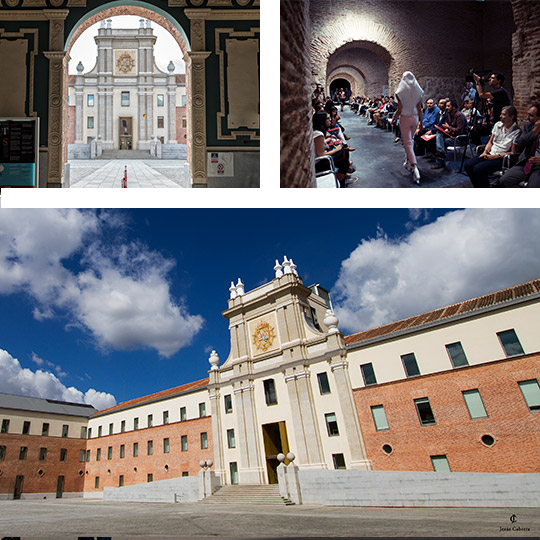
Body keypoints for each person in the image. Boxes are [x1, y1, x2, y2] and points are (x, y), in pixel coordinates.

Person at [464, 105, 521, 188]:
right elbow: (490, 142)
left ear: (511, 117)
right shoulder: (498, 125)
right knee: (468, 165)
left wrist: (493, 157)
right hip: (490, 153)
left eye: (504, 114)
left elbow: (513, 152)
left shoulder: (517, 131)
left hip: (501, 158)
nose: (500, 116)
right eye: (501, 114)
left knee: (478, 169)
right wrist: (485, 152)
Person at [391, 71, 424, 183]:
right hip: (415, 117)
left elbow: (399, 109)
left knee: (407, 143)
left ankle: (415, 168)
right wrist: (422, 122)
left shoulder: (400, 91)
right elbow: (420, 109)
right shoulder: (418, 91)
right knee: (411, 140)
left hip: (405, 117)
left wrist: (393, 119)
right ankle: (408, 161)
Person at [499, 103, 540, 188]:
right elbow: (521, 143)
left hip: (538, 168)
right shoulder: (528, 126)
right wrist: (535, 131)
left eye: (531, 115)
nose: (527, 118)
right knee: (505, 180)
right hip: (525, 163)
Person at [312, 111, 352, 188]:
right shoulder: (318, 134)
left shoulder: (318, 132)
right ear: (322, 121)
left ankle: (343, 174)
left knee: (344, 156)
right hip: (320, 163)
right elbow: (321, 154)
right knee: (344, 152)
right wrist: (336, 149)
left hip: (321, 160)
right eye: (327, 118)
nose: (330, 120)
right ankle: (341, 176)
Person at [431, 99, 468, 170]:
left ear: (453, 107)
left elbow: (459, 131)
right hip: (452, 136)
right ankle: (440, 156)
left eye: (448, 106)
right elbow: (451, 128)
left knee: (440, 142)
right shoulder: (450, 115)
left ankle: (440, 159)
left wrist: (449, 127)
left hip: (460, 139)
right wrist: (448, 130)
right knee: (438, 135)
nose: (446, 108)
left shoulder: (459, 116)